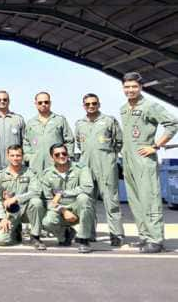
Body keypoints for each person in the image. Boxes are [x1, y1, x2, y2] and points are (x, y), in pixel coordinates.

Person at [120, 72, 178, 253]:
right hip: (128, 159)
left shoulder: (150, 106)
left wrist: (156, 146)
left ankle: (156, 239)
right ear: (123, 88)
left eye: (134, 87)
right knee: (136, 201)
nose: (130, 90)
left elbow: (173, 123)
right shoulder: (124, 108)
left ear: (140, 87)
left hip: (144, 159)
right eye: (127, 87)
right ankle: (144, 237)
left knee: (150, 199)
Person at [74, 93, 124, 246]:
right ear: (84, 106)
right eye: (87, 104)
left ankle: (116, 234)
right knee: (87, 201)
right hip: (86, 168)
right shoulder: (79, 123)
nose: (91, 106)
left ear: (99, 104)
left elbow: (119, 142)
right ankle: (89, 233)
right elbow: (79, 144)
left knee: (111, 200)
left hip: (106, 166)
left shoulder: (109, 121)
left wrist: (108, 157)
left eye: (94, 103)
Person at [40, 143, 94, 254]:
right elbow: (48, 200)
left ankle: (84, 240)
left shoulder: (81, 168)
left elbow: (88, 188)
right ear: (52, 157)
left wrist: (62, 193)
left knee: (84, 198)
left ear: (68, 154)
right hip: (59, 209)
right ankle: (65, 234)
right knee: (46, 222)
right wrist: (63, 210)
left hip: (77, 207)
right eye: (57, 154)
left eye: (64, 153)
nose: (61, 156)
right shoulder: (47, 174)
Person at [0, 145, 46, 250]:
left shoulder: (30, 173)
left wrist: (16, 198)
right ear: (7, 156)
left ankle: (35, 237)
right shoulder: (1, 175)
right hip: (10, 213)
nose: (15, 158)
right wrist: (2, 218)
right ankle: (15, 231)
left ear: (22, 157)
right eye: (12, 155)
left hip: (27, 211)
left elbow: (36, 191)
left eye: (18, 155)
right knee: (1, 240)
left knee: (36, 202)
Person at [23, 92, 74, 174]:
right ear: (35, 104)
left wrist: (67, 157)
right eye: (40, 103)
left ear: (50, 103)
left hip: (56, 165)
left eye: (46, 102)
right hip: (36, 166)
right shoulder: (30, 123)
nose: (43, 104)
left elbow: (69, 140)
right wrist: (30, 157)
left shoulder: (59, 120)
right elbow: (26, 142)